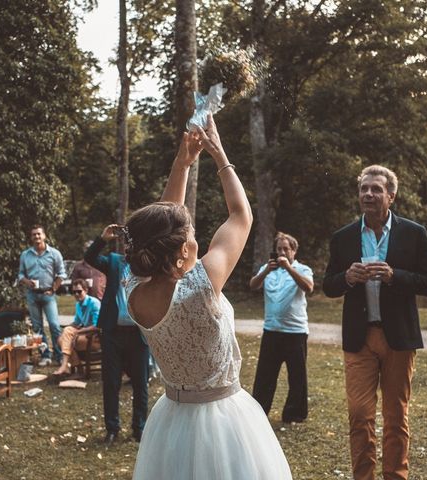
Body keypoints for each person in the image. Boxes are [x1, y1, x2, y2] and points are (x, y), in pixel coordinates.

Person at [124, 115, 292, 479]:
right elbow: (241, 215)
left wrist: (181, 163)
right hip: (224, 421)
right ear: (184, 251)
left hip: (171, 420)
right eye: (191, 233)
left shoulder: (132, 285)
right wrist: (219, 154)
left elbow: (163, 221)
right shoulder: (200, 286)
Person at [322, 165, 427, 480]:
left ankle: (395, 476)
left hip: (398, 337)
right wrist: (346, 277)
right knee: (359, 415)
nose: (368, 194)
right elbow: (328, 285)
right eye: (364, 189)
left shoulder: (414, 233)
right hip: (360, 338)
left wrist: (394, 276)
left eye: (376, 189)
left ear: (392, 196)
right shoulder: (344, 236)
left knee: (395, 416)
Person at [84, 225, 149, 446]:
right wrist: (102, 239)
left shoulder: (149, 266)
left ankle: (139, 429)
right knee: (110, 383)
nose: (133, 246)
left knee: (141, 383)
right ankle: (112, 429)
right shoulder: (113, 261)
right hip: (112, 333)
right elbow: (90, 257)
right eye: (130, 243)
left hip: (138, 335)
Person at [250, 232, 313, 423]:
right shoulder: (268, 268)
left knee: (297, 376)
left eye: (286, 248)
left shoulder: (302, 269)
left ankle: (294, 414)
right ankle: (259, 411)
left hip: (295, 332)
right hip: (272, 331)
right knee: (265, 375)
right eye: (279, 249)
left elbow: (308, 287)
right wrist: (266, 271)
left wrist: (289, 268)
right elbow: (253, 285)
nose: (282, 252)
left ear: (294, 250)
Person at [18, 224, 66, 367]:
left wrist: (53, 288)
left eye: (39, 234)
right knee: (37, 327)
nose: (37, 237)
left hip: (48, 295)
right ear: (31, 237)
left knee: (54, 325)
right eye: (34, 234)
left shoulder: (54, 254)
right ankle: (45, 355)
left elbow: (62, 274)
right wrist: (27, 281)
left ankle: (59, 355)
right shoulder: (25, 255)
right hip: (32, 295)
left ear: (44, 236)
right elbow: (20, 274)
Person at [52, 279, 101, 377]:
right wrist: (67, 329)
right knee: (61, 339)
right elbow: (77, 322)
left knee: (65, 341)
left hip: (96, 338)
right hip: (84, 335)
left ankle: (71, 367)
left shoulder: (94, 303)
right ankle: (72, 367)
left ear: (86, 290)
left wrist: (78, 332)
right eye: (74, 292)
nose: (77, 294)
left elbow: (98, 326)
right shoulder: (78, 304)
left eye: (79, 291)